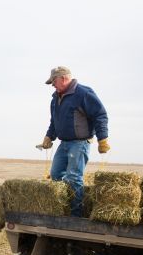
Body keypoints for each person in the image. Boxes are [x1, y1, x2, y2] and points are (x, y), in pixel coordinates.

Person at [41, 66, 110, 217]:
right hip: (64, 143)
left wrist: (102, 138)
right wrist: (49, 137)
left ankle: (75, 214)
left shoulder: (83, 93)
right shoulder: (55, 98)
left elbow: (100, 115)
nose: (52, 85)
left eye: (54, 81)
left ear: (64, 78)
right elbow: (55, 121)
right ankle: (62, 209)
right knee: (56, 174)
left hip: (79, 143)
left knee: (73, 177)